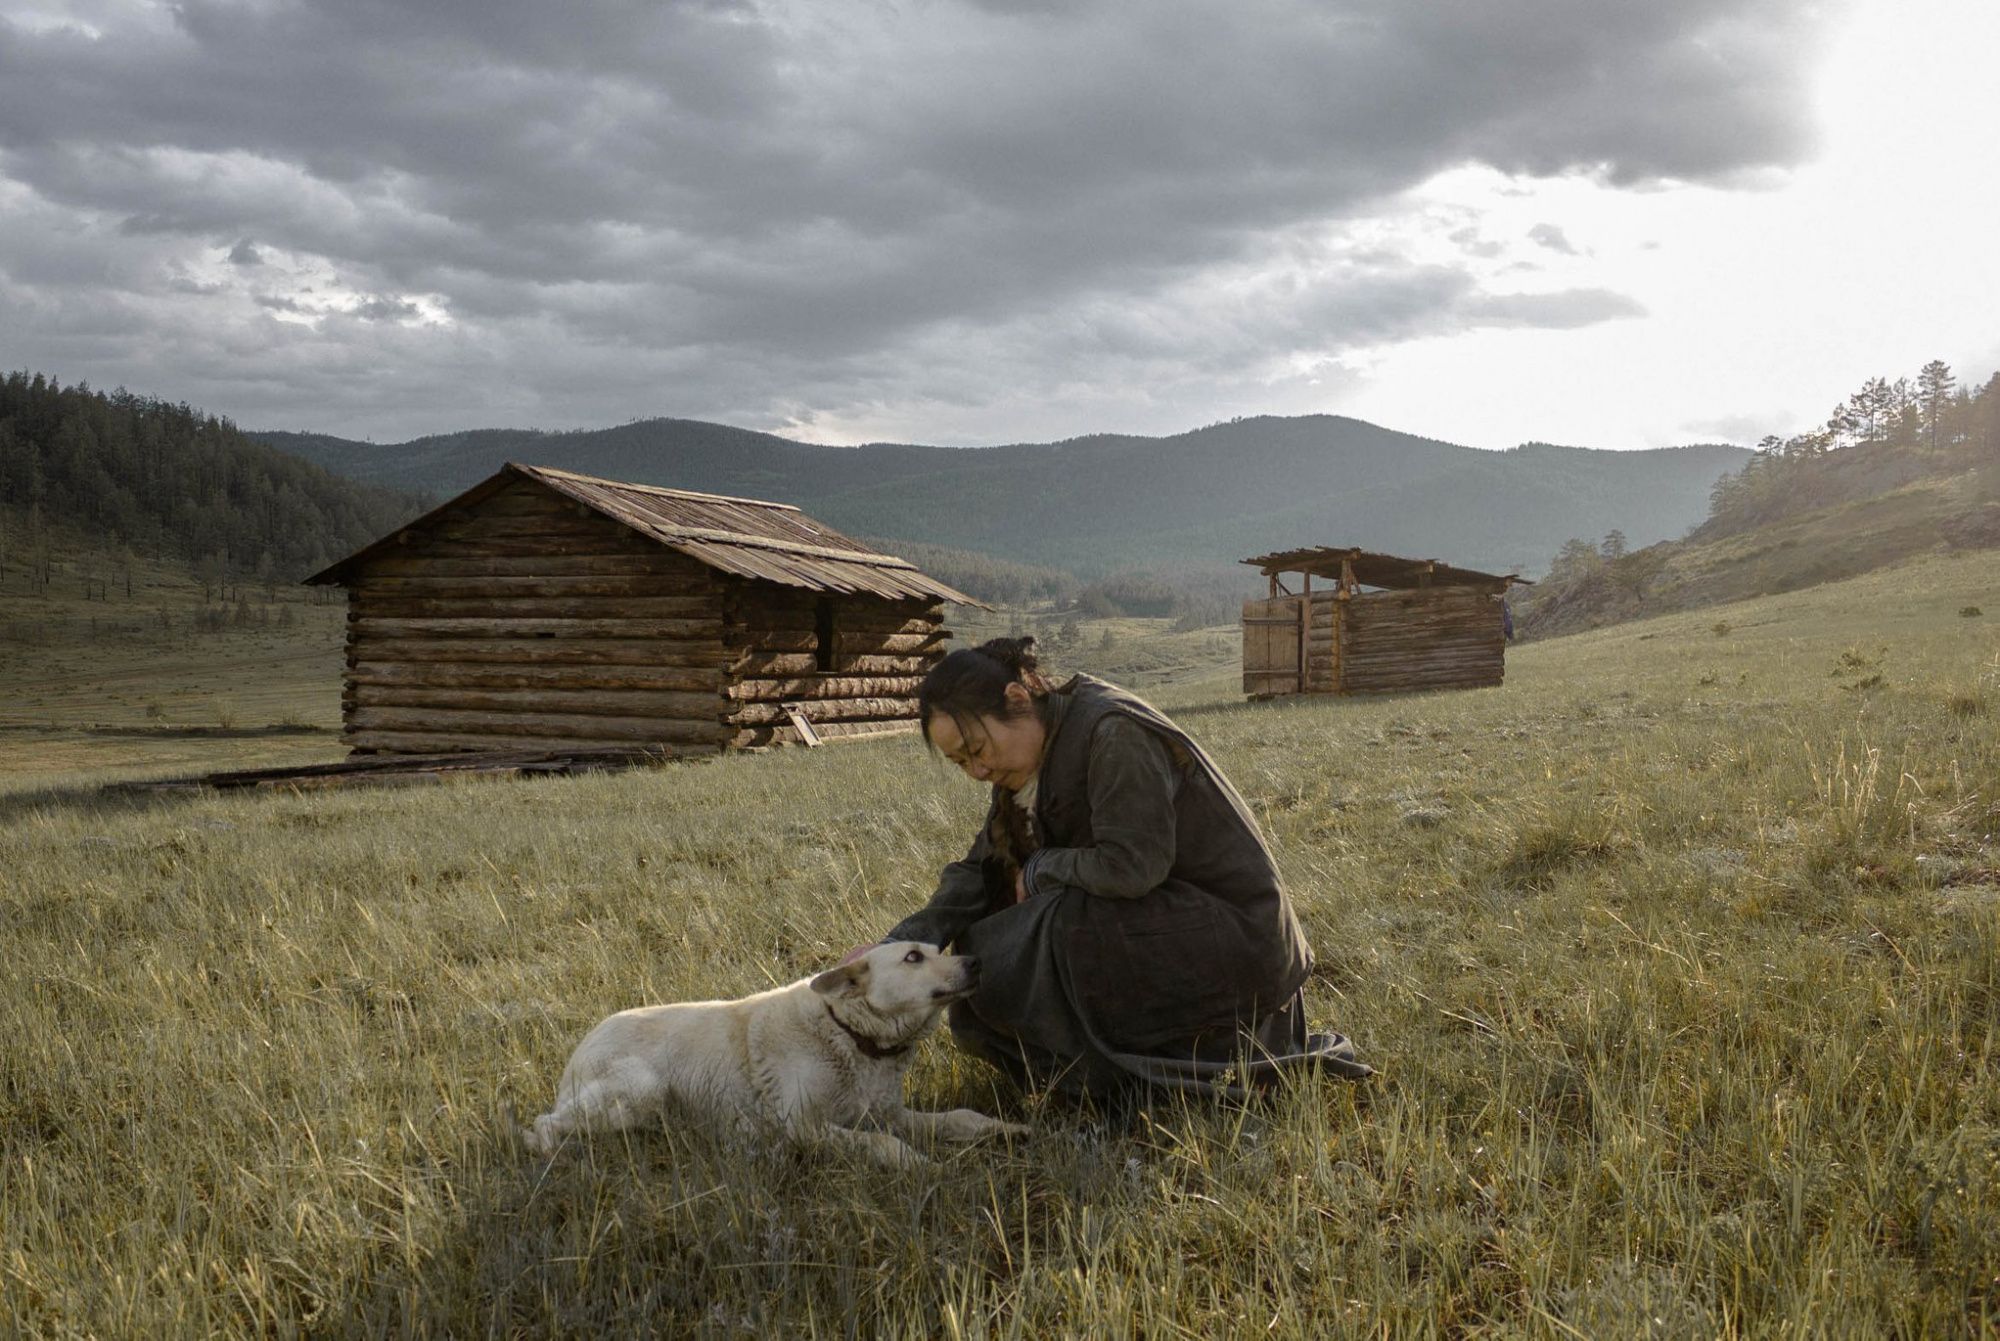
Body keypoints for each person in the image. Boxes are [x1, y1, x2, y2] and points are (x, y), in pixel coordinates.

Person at [882, 636, 1371, 1101]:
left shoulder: (1113, 733)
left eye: (978, 750)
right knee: (983, 944)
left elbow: (1133, 867)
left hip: (1241, 942)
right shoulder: (1028, 758)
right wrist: (904, 943)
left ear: (1016, 698)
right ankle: (1095, 1074)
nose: (979, 772)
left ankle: (1136, 1073)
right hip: (1174, 927)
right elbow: (980, 868)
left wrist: (1041, 869)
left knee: (1060, 925)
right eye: (960, 762)